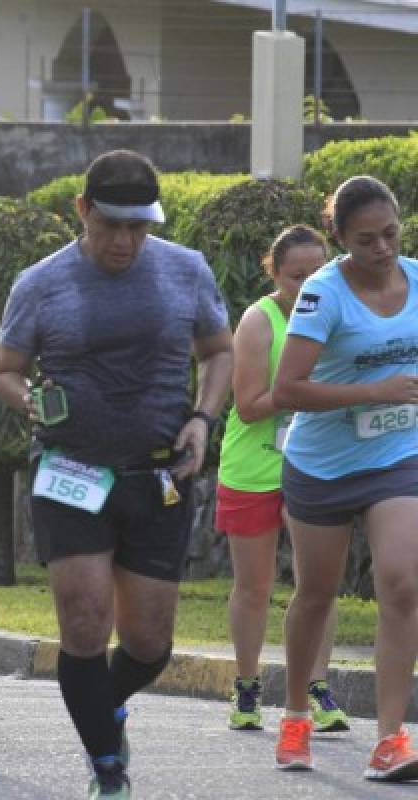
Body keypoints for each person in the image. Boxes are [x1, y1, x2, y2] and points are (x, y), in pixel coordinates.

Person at [0, 150, 232, 799]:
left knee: (150, 643)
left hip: (159, 473)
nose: (125, 241)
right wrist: (30, 399)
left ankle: (105, 707)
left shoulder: (186, 270)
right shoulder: (40, 283)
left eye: (139, 227)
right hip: (69, 469)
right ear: (82, 211)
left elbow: (218, 351)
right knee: (84, 623)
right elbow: (6, 370)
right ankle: (108, 768)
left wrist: (204, 419)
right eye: (111, 226)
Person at [272, 175, 418, 781]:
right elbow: (286, 389)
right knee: (316, 595)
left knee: (404, 582)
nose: (382, 248)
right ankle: (296, 712)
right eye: (366, 240)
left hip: (399, 452)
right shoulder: (321, 294)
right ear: (339, 238)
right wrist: (373, 391)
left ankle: (390, 738)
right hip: (323, 463)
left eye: (390, 233)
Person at [216, 225, 348, 733]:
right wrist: (299, 391)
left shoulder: (340, 314)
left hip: (316, 463)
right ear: (275, 273)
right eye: (297, 277)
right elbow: (248, 408)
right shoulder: (259, 320)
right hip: (254, 468)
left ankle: (318, 687)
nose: (309, 285)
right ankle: (247, 687)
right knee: (255, 586)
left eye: (319, 273)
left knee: (319, 584)